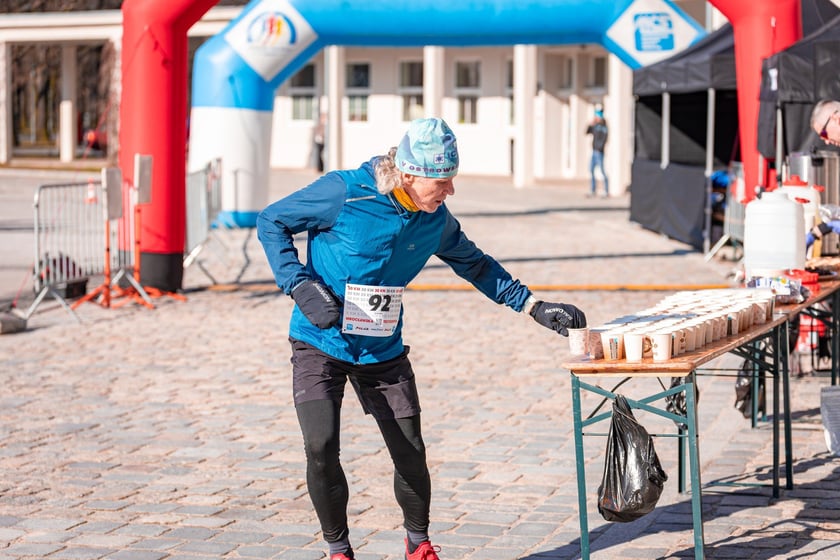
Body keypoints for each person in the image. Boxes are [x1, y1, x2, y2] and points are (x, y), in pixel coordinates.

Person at [256, 117, 587, 560]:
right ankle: (338, 550)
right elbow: (271, 220)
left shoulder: (435, 221)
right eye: (443, 182)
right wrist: (297, 282)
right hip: (321, 342)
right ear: (409, 174)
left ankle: (419, 543)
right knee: (321, 446)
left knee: (410, 452)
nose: (450, 192)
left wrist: (533, 306)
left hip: (382, 349)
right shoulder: (344, 192)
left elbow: (477, 265)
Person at [585, 108, 609, 198]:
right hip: (594, 151)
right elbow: (587, 132)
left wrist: (600, 148)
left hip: (599, 152)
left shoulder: (603, 126)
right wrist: (590, 124)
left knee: (602, 171)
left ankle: (606, 190)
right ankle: (592, 189)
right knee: (591, 170)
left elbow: (604, 138)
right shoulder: (595, 126)